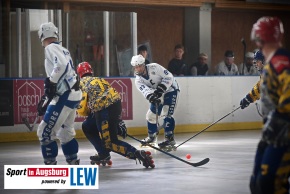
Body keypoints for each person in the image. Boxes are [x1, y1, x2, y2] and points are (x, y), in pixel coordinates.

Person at [76, 62, 155, 168]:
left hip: (103, 110)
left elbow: (82, 110)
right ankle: (103, 153)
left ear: (79, 74)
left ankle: (137, 154)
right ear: (91, 72)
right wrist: (117, 120)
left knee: (110, 143)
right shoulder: (99, 79)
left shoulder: (81, 83)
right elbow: (112, 96)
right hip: (115, 105)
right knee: (87, 126)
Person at [249, 16, 290, 194]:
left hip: (283, 134)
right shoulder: (270, 64)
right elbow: (261, 88)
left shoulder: (282, 62)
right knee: (257, 180)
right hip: (272, 132)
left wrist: (279, 119)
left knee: (270, 182)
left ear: (261, 37)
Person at [36, 22, 82, 165]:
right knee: (65, 132)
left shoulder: (50, 48)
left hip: (65, 94)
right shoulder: (63, 49)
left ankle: (50, 167)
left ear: (42, 36)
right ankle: (73, 163)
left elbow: (60, 66)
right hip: (73, 94)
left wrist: (51, 81)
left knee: (44, 132)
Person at [131, 54, 180, 150]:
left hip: (171, 89)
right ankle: (151, 137)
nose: (138, 69)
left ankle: (169, 138)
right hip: (157, 93)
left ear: (144, 64)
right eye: (136, 67)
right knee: (150, 116)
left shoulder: (155, 67)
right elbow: (145, 91)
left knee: (167, 113)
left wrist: (160, 90)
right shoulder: (138, 80)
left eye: (139, 66)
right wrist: (152, 97)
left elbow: (169, 77)